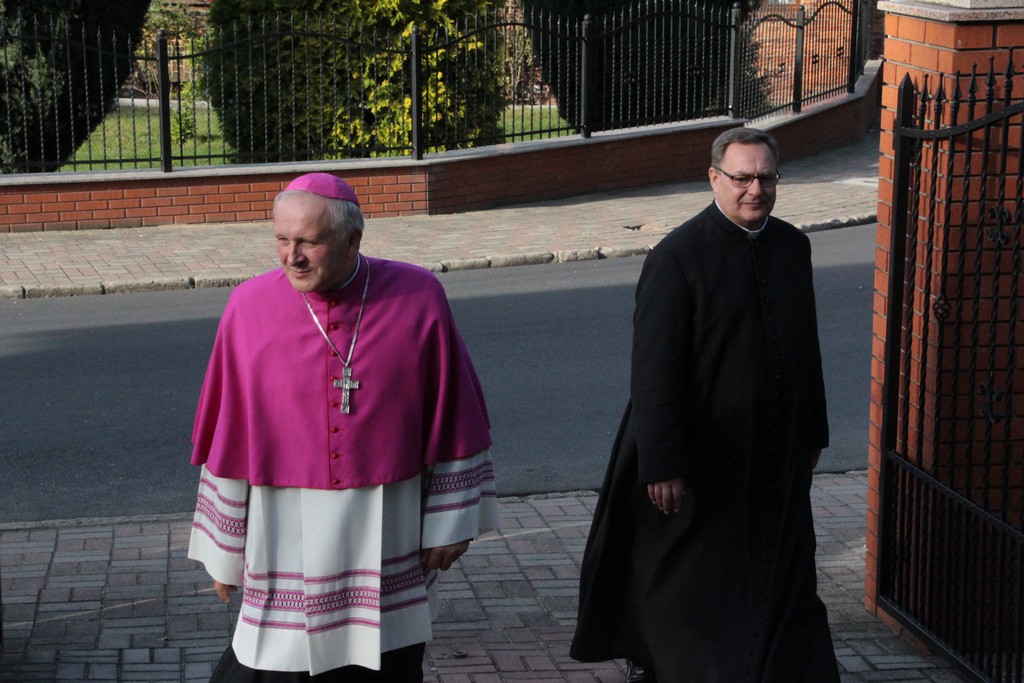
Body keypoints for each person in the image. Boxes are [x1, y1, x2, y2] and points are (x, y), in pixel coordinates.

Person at [187, 172, 498, 682]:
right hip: (282, 525)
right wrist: (225, 549)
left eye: (308, 241)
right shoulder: (248, 307)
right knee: (271, 664)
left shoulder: (418, 297)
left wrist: (451, 522)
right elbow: (229, 432)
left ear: (354, 239)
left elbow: (455, 411)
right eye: (282, 240)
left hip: (387, 526)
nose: (292, 257)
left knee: (385, 661)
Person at [569, 128, 840, 682]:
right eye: (742, 177)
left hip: (774, 452)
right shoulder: (677, 257)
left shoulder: (793, 247)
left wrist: (814, 433)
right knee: (695, 583)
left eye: (766, 177)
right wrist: (663, 462)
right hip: (700, 456)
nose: (755, 189)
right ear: (714, 178)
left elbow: (806, 349)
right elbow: (654, 371)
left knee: (781, 569)